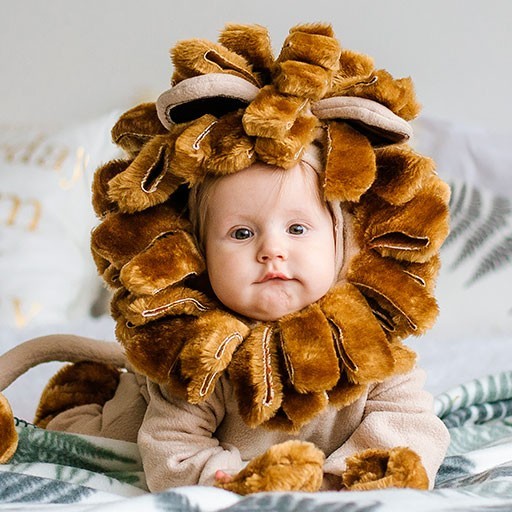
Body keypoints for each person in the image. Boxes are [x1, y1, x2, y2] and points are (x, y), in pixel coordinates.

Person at [0, 22, 451, 493]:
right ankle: (81, 395)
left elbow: (413, 426)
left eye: (298, 229)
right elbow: (169, 450)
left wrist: (340, 479)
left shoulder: (368, 345)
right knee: (107, 440)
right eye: (240, 233)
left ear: (344, 246)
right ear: (199, 253)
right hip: (156, 432)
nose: (271, 249)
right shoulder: (199, 357)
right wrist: (236, 481)